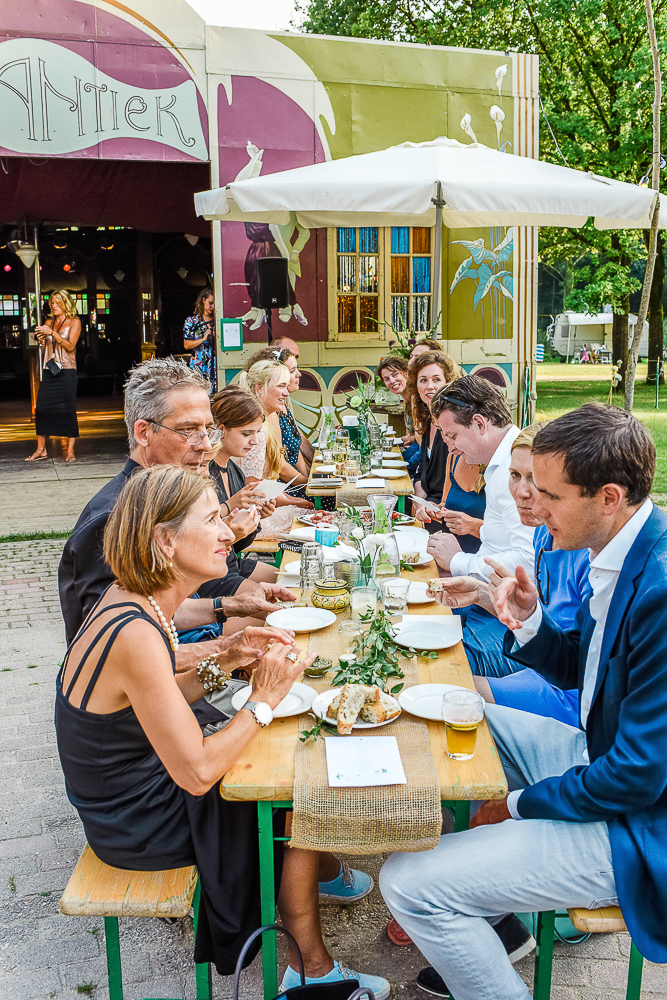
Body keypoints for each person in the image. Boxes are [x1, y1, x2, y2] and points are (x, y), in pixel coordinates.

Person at [55, 464, 389, 998]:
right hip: (135, 820)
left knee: (284, 757)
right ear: (165, 541)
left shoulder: (133, 601)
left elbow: (164, 694)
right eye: (212, 520)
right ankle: (312, 975)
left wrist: (228, 659)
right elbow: (197, 772)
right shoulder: (136, 629)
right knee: (295, 792)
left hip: (127, 789)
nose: (229, 533)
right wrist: (261, 700)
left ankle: (317, 882)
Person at [380, 403, 667, 1000]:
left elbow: (636, 778)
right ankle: (497, 916)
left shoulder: (659, 587)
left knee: (407, 883)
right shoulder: (619, 549)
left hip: (639, 824)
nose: (526, 502)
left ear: (609, 496)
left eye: (548, 493)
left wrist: (518, 803)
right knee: (461, 708)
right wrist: (529, 621)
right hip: (602, 764)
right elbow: (581, 671)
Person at [59, 358, 292, 658]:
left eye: (208, 430)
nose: (207, 445)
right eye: (189, 430)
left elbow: (157, 608)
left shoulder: (169, 495)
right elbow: (115, 645)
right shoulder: (113, 518)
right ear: (143, 433)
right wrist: (225, 651)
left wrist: (230, 606)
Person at [432, 423, 589, 704]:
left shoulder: (588, 552)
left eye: (536, 479)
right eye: (514, 475)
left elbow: (571, 667)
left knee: (444, 681)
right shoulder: (544, 534)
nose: (521, 491)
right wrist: (482, 594)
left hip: (565, 691)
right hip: (542, 658)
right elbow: (540, 626)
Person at [425, 375, 534, 578]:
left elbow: (529, 562)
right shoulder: (500, 461)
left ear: (479, 424)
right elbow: (499, 541)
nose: (450, 448)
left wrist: (456, 559)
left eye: (453, 436)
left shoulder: (515, 469)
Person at [407, 354, 485, 554]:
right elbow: (422, 471)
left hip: (461, 539)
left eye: (436, 379)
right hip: (438, 517)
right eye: (423, 380)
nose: (430, 386)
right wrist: (421, 500)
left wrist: (429, 504)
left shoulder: (460, 437)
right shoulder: (428, 423)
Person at [209, 385, 282, 585]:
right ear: (222, 430)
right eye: (246, 433)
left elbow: (239, 546)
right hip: (210, 575)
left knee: (289, 582)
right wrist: (230, 507)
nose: (255, 441)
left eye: (258, 433)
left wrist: (256, 519)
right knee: (279, 603)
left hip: (233, 563)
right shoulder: (202, 473)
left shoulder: (234, 470)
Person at [238, 359, 313, 534]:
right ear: (260, 388)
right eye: (281, 386)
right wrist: (292, 501)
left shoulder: (268, 421)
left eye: (287, 387)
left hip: (268, 505)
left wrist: (290, 499)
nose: (287, 393)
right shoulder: (256, 430)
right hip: (254, 517)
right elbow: (253, 489)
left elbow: (267, 483)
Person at [27, 290, 81, 463]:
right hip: (50, 370)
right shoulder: (49, 321)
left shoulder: (75, 322)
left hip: (67, 370)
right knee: (41, 409)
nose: (54, 305)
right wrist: (42, 340)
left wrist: (53, 334)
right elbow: (45, 349)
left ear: (66, 303)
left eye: (57, 302)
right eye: (52, 303)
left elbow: (70, 346)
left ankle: (70, 451)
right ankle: (41, 449)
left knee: (68, 410)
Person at [376, 356, 419, 473]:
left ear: (406, 373)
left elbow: (426, 437)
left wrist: (404, 440)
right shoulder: (406, 398)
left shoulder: (416, 398)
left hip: (422, 453)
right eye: (387, 379)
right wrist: (406, 440)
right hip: (414, 448)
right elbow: (410, 432)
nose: (392, 381)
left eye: (395, 375)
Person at [184, 287, 216, 387]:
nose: (213, 307)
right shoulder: (192, 321)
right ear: (203, 300)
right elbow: (186, 345)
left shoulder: (218, 320)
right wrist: (203, 339)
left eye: (215, 304)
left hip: (216, 361)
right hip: (199, 362)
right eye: (210, 303)